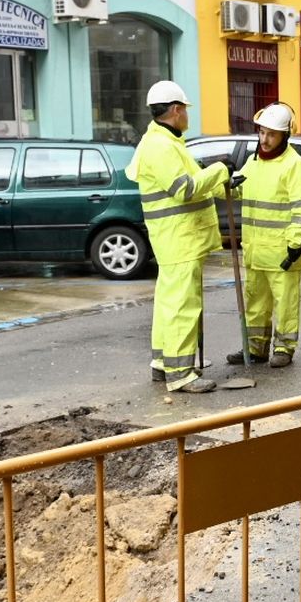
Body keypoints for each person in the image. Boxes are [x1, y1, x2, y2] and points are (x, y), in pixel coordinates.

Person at [127, 79, 228, 394]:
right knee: (182, 305)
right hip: (178, 238)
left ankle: (163, 363)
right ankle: (182, 373)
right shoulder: (160, 146)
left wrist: (217, 179)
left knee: (168, 303)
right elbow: (183, 189)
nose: (187, 115)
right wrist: (220, 170)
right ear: (175, 110)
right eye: (185, 109)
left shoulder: (165, 142)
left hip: (176, 239)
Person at [224, 102, 301, 369]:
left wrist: (296, 244)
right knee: (255, 303)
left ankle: (284, 347)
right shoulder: (254, 162)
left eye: (271, 134)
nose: (265, 139)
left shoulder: (295, 166)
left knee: (285, 304)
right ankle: (255, 348)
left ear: (285, 135)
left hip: (283, 252)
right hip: (256, 249)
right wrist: (223, 179)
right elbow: (239, 190)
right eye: (262, 132)